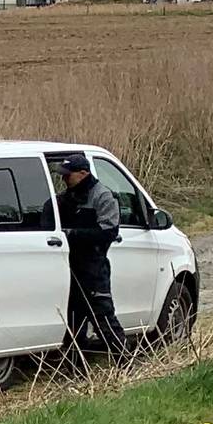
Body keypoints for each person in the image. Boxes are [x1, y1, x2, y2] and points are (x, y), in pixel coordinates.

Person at [56, 152, 125, 356]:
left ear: (83, 173)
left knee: (103, 318)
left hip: (93, 267)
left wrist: (72, 234)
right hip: (71, 266)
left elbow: (108, 233)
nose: (64, 179)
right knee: (74, 321)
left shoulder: (103, 196)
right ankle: (76, 367)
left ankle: (124, 361)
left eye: (68, 175)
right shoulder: (65, 198)